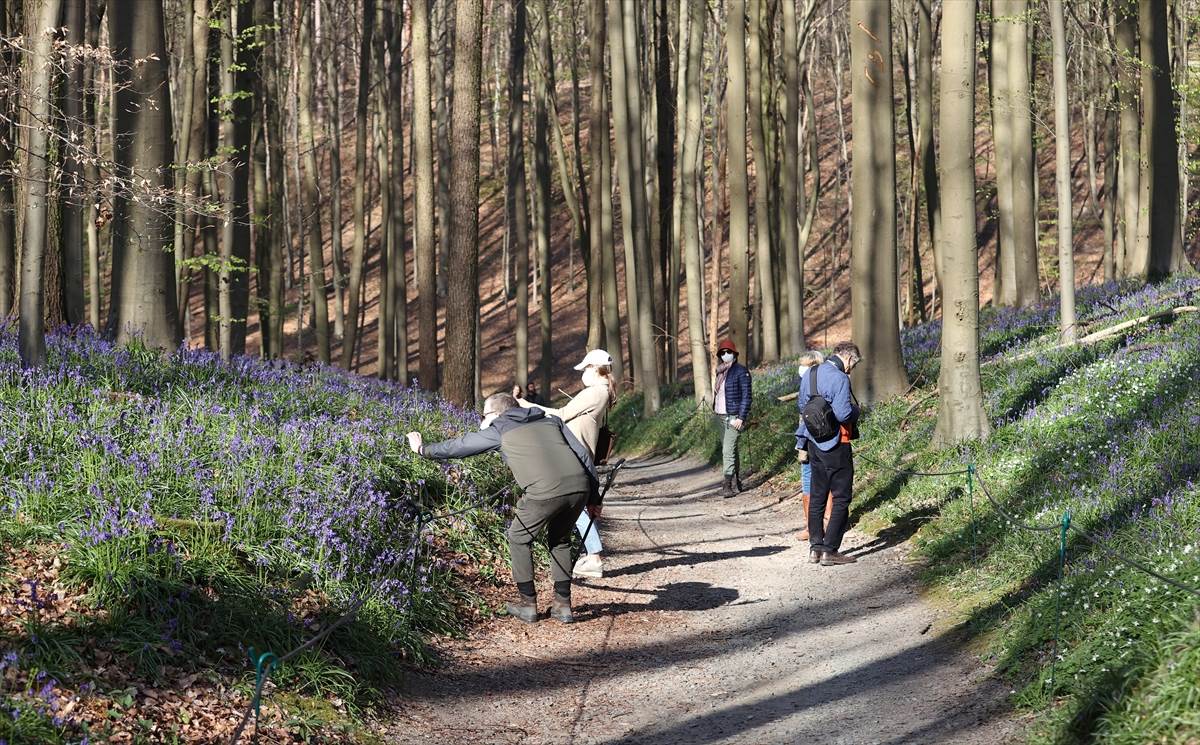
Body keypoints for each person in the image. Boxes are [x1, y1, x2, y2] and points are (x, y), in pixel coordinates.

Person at [405, 392, 598, 624]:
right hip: (579, 486)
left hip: (543, 491)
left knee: (518, 537)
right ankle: (563, 605)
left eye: (483, 415)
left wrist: (422, 450)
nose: (481, 419)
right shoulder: (551, 421)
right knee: (560, 539)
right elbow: (583, 456)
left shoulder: (500, 429)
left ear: (495, 414)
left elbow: (460, 446)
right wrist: (594, 499)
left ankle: (528, 605)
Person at [513, 349, 616, 579]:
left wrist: (525, 405)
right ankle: (590, 554)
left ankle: (595, 556)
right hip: (578, 453)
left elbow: (560, 414)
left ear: (593, 369)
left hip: (575, 454)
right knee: (578, 507)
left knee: (576, 509)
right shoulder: (602, 392)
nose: (583, 374)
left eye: (584, 370)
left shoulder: (595, 392)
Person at [794, 340, 862, 566]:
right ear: (849, 358)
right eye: (854, 364)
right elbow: (843, 415)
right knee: (842, 497)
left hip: (813, 443)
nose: (853, 369)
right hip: (836, 444)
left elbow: (802, 407)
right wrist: (856, 411)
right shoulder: (840, 377)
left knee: (817, 495)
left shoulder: (811, 374)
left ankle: (815, 547)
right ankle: (830, 550)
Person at [794, 350, 832, 541]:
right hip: (804, 438)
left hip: (822, 437)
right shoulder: (803, 385)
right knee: (807, 478)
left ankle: (828, 522)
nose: (802, 369)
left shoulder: (824, 382)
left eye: (805, 365)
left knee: (826, 477)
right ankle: (811, 526)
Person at [712, 339, 751, 498]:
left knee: (727, 450)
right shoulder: (719, 372)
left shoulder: (741, 371)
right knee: (731, 450)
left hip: (734, 417)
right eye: (722, 352)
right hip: (719, 416)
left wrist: (741, 417)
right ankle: (736, 482)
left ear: (734, 354)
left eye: (728, 352)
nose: (725, 355)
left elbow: (747, 396)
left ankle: (726, 485)